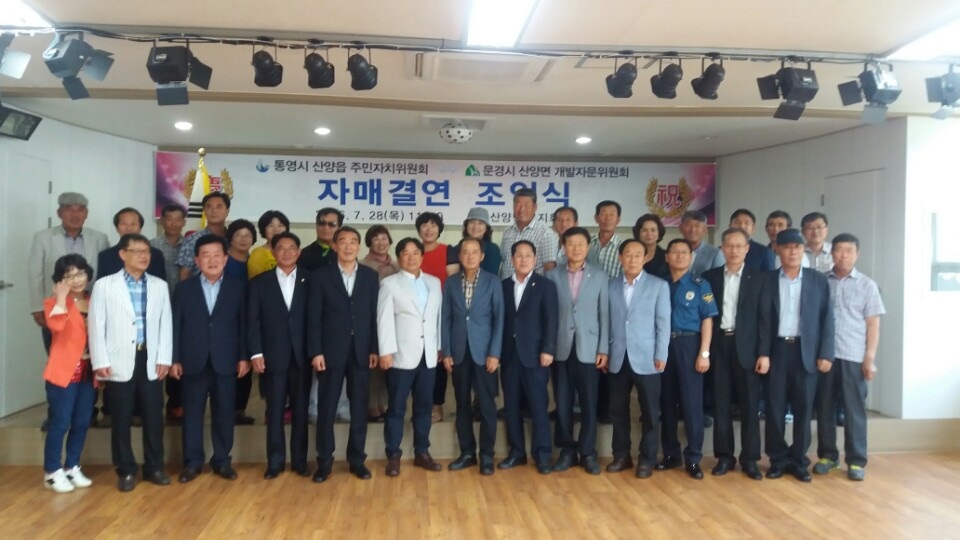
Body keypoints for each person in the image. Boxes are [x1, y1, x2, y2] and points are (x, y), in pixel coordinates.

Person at [88, 233, 173, 492]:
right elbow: (96, 325)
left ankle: (154, 467)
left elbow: (165, 324)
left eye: (146, 251)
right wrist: (99, 360)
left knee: (154, 416)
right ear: (122, 254)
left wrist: (164, 357)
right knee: (121, 417)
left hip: (150, 357)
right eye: (137, 251)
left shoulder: (159, 285)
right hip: (117, 358)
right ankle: (125, 470)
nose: (143, 256)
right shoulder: (104, 285)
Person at [757, 228, 835, 482]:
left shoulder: (817, 280)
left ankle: (799, 460)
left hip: (807, 352)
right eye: (787, 247)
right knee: (775, 409)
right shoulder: (767, 280)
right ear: (777, 249)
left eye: (798, 247)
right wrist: (763, 353)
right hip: (777, 351)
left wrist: (826, 353)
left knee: (804, 409)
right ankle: (778, 460)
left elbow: (827, 319)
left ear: (804, 250)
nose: (793, 252)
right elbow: (762, 321)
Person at [170, 235, 249, 483]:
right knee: (192, 414)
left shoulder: (238, 287)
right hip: (193, 360)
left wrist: (244, 356)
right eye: (206, 255)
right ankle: (192, 463)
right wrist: (174, 359)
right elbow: (175, 326)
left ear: (225, 259)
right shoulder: (184, 289)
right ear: (197, 260)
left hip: (227, 360)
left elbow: (244, 325)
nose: (212, 260)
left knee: (224, 414)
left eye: (217, 255)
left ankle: (222, 461)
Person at [308, 226, 380, 482]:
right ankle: (324, 462)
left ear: (359, 246)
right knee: (326, 408)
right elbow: (313, 317)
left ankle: (357, 459)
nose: (348, 246)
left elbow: (373, 316)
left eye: (353, 242)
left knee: (359, 408)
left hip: (361, 351)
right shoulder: (320, 276)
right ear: (335, 246)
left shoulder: (370, 276)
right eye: (343, 242)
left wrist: (374, 348)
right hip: (330, 352)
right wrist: (316, 351)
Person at [815, 233, 885, 481]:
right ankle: (828, 457)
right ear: (831, 253)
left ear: (857, 254)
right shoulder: (821, 282)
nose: (843, 255)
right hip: (826, 356)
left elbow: (873, 325)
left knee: (854, 411)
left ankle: (856, 461)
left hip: (854, 356)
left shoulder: (867, 285)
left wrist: (870, 358)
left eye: (849, 251)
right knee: (824, 408)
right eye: (839, 250)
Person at [247, 232, 312, 479]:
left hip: (303, 356)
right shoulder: (259, 283)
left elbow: (316, 319)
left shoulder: (311, 279)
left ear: (299, 252)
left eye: (291, 248)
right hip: (272, 356)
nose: (286, 252)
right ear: (273, 252)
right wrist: (255, 352)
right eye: (281, 248)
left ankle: (300, 461)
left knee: (301, 411)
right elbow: (252, 322)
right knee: (274, 411)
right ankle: (275, 462)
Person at [377, 237, 443, 477]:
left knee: (424, 407)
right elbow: (383, 320)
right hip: (400, 357)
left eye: (416, 252)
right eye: (406, 253)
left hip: (429, 356)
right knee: (396, 408)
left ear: (422, 256)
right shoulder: (389, 284)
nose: (412, 257)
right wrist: (385, 351)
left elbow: (437, 317)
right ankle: (393, 455)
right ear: (399, 257)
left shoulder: (434, 283)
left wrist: (439, 347)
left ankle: (422, 452)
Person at [702, 228, 765, 480]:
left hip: (748, 350)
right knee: (721, 405)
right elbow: (704, 315)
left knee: (750, 406)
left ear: (747, 249)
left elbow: (765, 320)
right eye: (729, 245)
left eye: (739, 246)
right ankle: (724, 457)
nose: (734, 250)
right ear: (722, 248)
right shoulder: (709, 278)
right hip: (719, 346)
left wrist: (763, 353)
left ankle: (750, 459)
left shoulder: (759, 279)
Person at [606, 239, 671, 479]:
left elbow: (663, 323)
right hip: (617, 356)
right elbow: (605, 321)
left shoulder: (658, 285)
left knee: (650, 412)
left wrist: (661, 354)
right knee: (618, 410)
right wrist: (605, 351)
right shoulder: (610, 285)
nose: (632, 259)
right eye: (628, 254)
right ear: (620, 257)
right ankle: (621, 455)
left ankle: (647, 458)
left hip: (648, 357)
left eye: (637, 255)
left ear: (645, 258)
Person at [547, 227, 608, 475]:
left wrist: (603, 348)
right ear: (563, 247)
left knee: (589, 403)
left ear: (588, 247)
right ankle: (567, 451)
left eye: (580, 244)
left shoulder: (600, 275)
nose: (575, 249)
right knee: (562, 402)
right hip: (561, 347)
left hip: (589, 348)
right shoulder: (552, 275)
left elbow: (604, 315)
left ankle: (588, 452)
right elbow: (548, 314)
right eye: (570, 244)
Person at [442, 237, 504, 476]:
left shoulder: (492, 281)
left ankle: (486, 455)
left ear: (482, 256)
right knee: (462, 405)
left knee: (487, 405)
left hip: (485, 353)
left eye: (474, 252)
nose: (469, 256)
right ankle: (467, 452)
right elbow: (446, 319)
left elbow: (499, 320)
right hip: (459, 353)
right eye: (465, 252)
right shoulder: (450, 283)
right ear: (459, 256)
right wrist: (447, 351)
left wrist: (495, 353)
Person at [658, 239, 717, 480]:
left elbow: (707, 320)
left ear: (691, 257)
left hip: (689, 344)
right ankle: (670, 454)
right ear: (667, 256)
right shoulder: (659, 285)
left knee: (692, 403)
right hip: (663, 346)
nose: (680, 256)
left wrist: (704, 353)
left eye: (685, 252)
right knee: (666, 402)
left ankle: (693, 457)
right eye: (675, 252)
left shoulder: (700, 285)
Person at [499, 240, 558, 475]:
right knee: (511, 406)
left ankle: (542, 455)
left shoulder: (545, 285)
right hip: (509, 355)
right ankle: (516, 453)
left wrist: (548, 349)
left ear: (535, 259)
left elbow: (551, 320)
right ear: (512, 259)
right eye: (519, 255)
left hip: (536, 355)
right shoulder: (503, 286)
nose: (523, 259)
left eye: (528, 255)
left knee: (538, 406)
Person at [41, 254, 97, 493]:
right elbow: (56, 326)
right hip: (64, 371)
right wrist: (62, 298)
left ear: (87, 274)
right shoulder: (52, 303)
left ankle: (72, 466)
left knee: (82, 421)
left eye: (80, 273)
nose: (76, 279)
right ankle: (52, 471)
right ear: (60, 281)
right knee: (60, 422)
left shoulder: (93, 300)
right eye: (69, 276)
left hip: (89, 370)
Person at [29, 192, 109, 353]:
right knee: (58, 355)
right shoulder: (43, 237)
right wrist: (37, 306)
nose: (75, 215)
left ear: (86, 213)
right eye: (69, 209)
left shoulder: (99, 238)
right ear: (59, 213)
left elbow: (105, 273)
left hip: (90, 306)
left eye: (80, 210)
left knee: (90, 355)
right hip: (56, 306)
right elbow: (35, 273)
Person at [361, 224, 400, 424]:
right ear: (369, 242)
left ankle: (382, 404)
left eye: (384, 238)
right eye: (376, 238)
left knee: (389, 365)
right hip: (371, 320)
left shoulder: (397, 265)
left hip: (395, 321)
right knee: (374, 365)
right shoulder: (363, 265)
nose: (381, 242)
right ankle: (371, 406)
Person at [499, 187, 558, 279]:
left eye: (526, 205)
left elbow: (550, 269)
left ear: (535, 207)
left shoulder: (546, 233)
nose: (522, 209)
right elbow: (503, 261)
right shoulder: (507, 231)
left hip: (533, 287)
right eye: (518, 205)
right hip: (506, 285)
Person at [98, 207, 167, 281]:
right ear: (117, 228)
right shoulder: (105, 256)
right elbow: (102, 284)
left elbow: (161, 283)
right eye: (124, 224)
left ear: (140, 228)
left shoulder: (155, 255)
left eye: (133, 224)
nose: (128, 228)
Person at [178, 192, 230, 280]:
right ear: (204, 211)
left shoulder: (234, 239)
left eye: (219, 207)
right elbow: (185, 274)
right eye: (209, 207)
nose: (214, 211)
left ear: (227, 211)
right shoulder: (193, 239)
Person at [446, 207, 501, 277]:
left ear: (486, 228)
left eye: (480, 223)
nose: (475, 226)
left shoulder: (493, 249)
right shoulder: (456, 249)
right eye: (472, 222)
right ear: (466, 226)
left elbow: (491, 277)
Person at [151, 204, 186, 296]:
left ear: (184, 222)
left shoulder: (190, 246)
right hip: (158, 296)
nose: (173, 224)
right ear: (161, 221)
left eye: (178, 220)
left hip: (184, 297)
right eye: (169, 219)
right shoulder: (152, 245)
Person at [247, 210, 290, 279]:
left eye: (280, 225)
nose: (276, 230)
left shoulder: (294, 251)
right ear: (263, 230)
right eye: (270, 226)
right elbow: (257, 281)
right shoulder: (258, 253)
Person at [680, 210, 724, 276]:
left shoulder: (715, 254)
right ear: (680, 228)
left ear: (705, 229)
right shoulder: (673, 252)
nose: (693, 230)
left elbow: (719, 279)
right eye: (688, 225)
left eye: (697, 225)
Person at [587, 200, 624, 278]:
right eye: (603, 214)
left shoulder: (624, 247)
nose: (608, 218)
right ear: (596, 218)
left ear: (618, 220)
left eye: (612, 215)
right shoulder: (586, 243)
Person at [633, 213, 669, 280]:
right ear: (638, 233)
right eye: (645, 230)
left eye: (653, 230)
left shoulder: (666, 256)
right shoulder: (631, 255)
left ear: (659, 232)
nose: (649, 234)